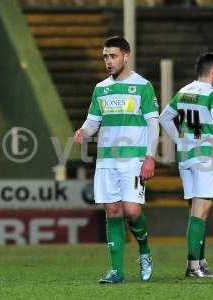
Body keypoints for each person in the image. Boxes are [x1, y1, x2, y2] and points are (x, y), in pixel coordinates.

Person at [74, 36, 159, 284]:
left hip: (133, 159)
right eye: (105, 57)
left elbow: (153, 124)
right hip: (106, 160)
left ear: (125, 56)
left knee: (132, 211)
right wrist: (83, 131)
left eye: (112, 56)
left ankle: (144, 251)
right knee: (112, 210)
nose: (108, 61)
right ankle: (117, 271)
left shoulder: (143, 86)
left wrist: (150, 157)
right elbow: (93, 122)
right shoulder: (101, 88)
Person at [159, 52, 213, 278]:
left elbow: (164, 118)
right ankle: (193, 266)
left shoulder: (184, 92)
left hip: (185, 157)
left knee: (196, 212)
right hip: (205, 156)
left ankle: (201, 261)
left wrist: (178, 140)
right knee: (202, 210)